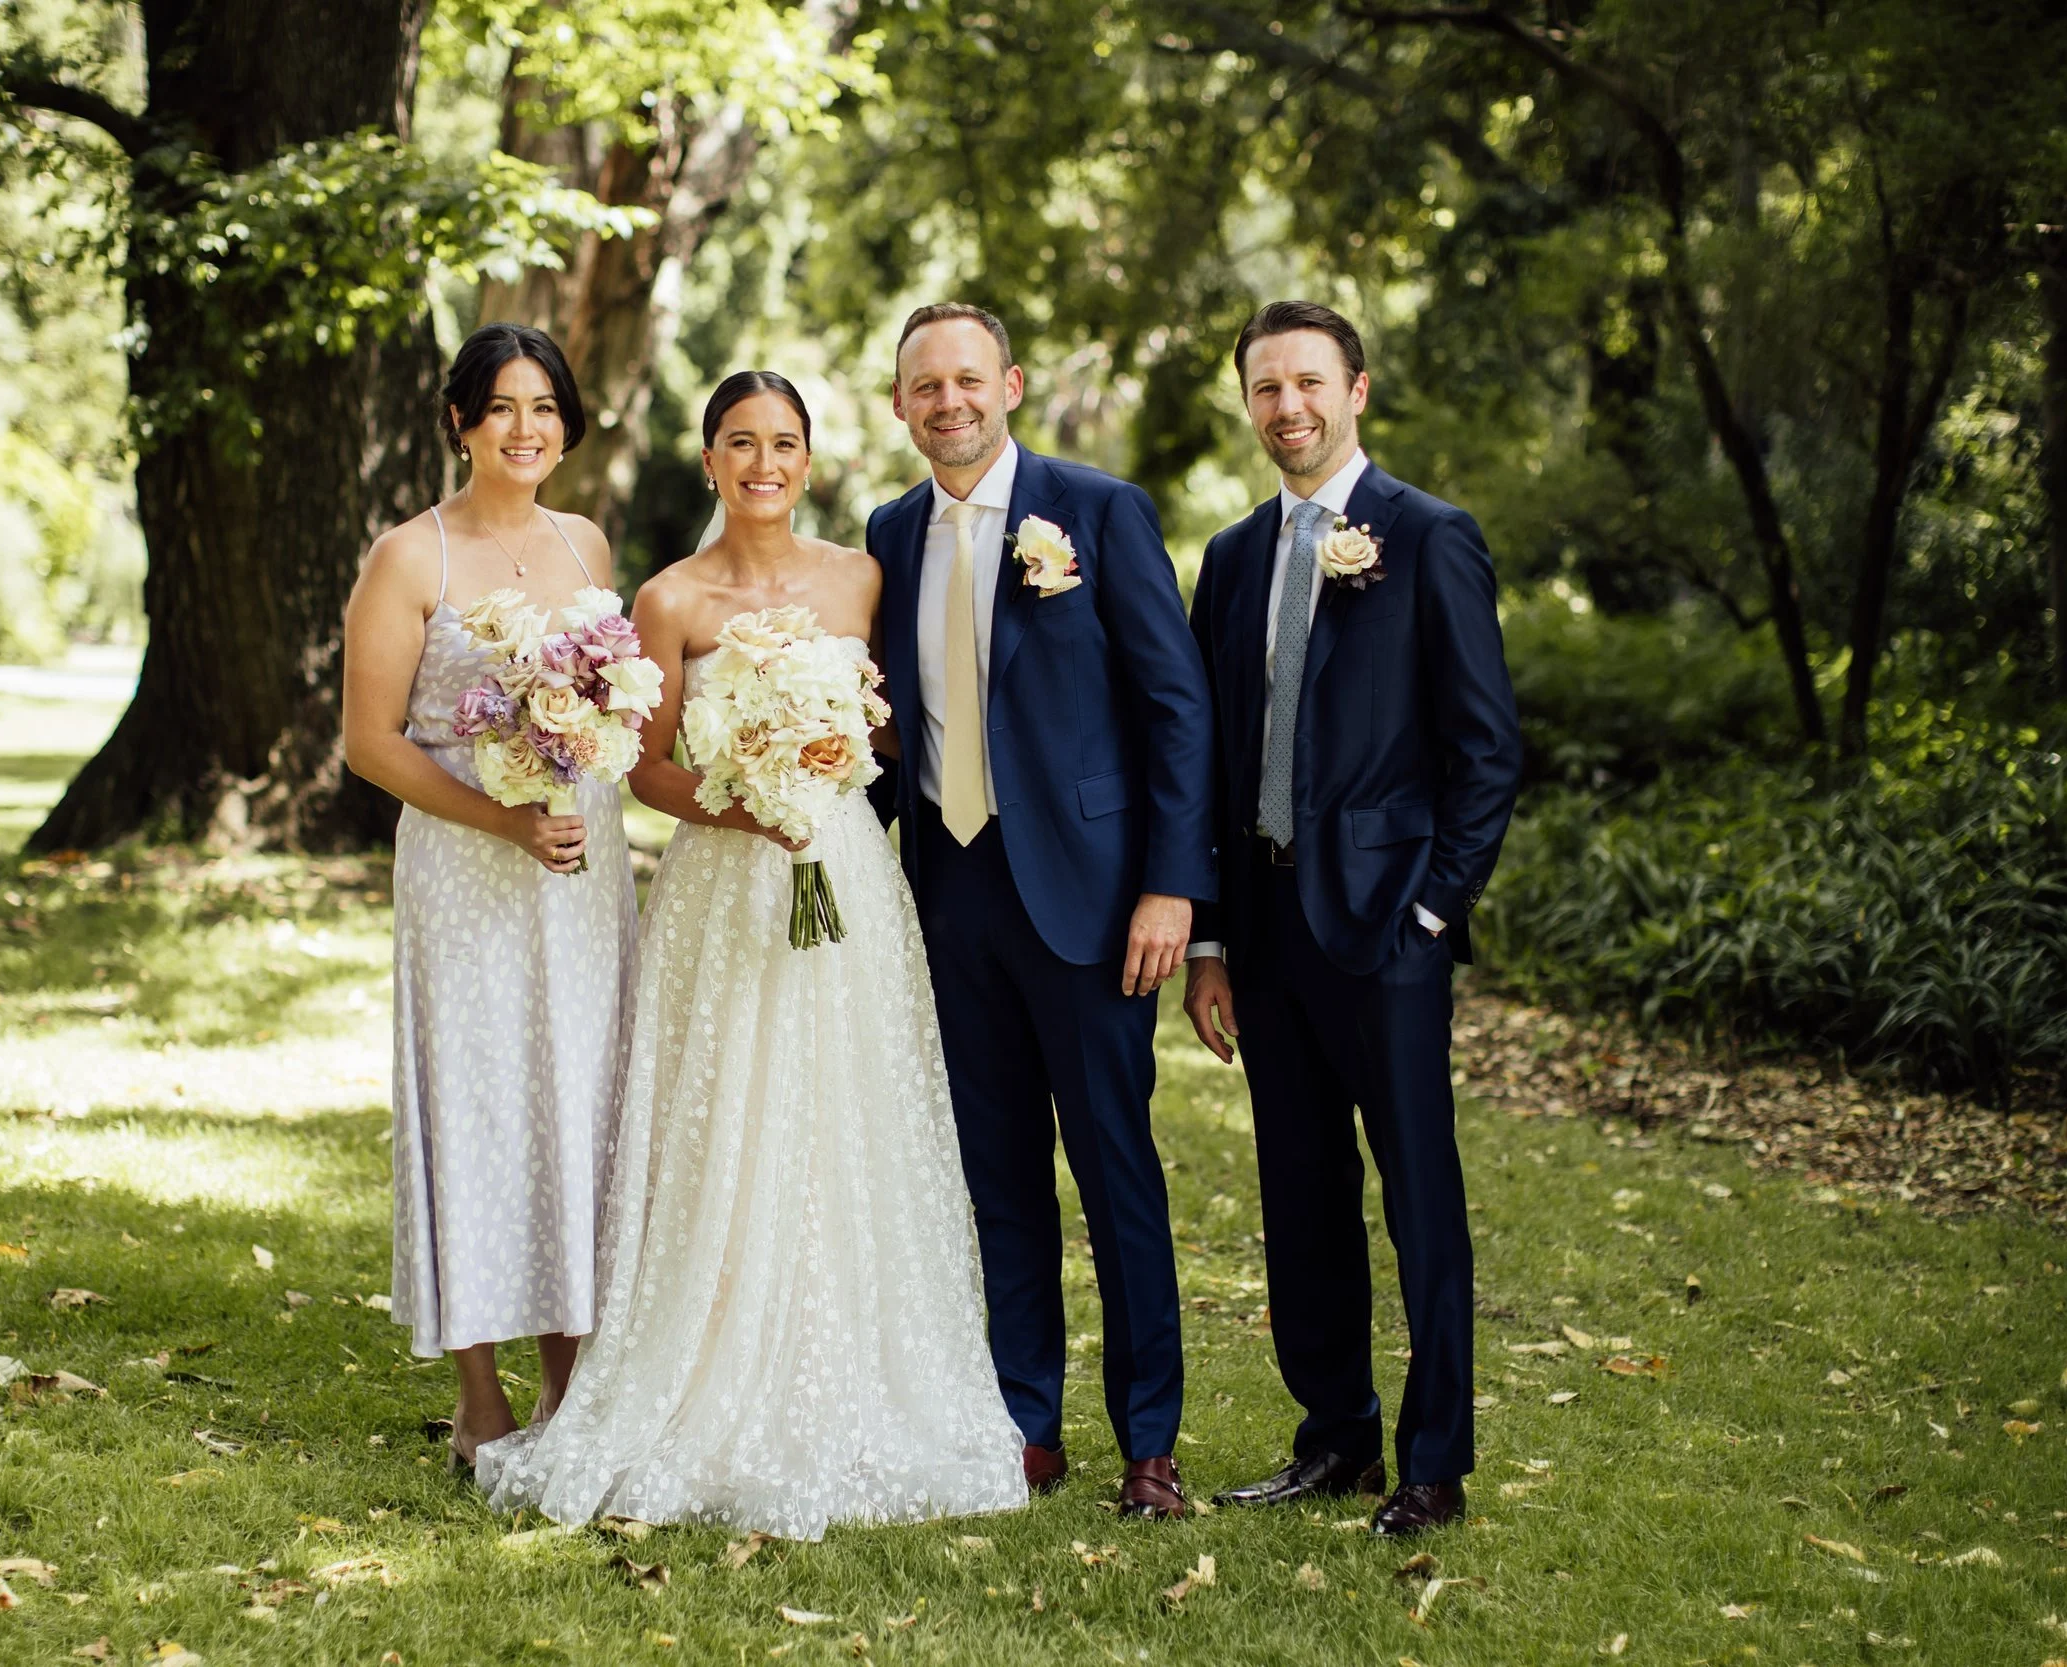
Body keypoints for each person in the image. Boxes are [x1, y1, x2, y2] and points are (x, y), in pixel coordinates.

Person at [473, 371, 1027, 1539]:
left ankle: (857, 1363)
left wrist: (818, 761)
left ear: (808, 460)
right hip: (725, 881)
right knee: (728, 1108)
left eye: (783, 443)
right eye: (740, 442)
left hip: (845, 877)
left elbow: (882, 727)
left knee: (843, 1108)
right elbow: (645, 759)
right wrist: (740, 797)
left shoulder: (860, 575)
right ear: (712, 457)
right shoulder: (669, 596)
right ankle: (705, 1353)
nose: (762, 462)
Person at [867, 304, 1215, 1519]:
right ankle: (1023, 1422)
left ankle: (1150, 1441)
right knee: (995, 1175)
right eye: (925, 385)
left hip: (1093, 899)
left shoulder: (1099, 510)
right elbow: (883, 724)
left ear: (1009, 382)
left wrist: (1174, 885)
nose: (948, 401)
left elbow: (1177, 709)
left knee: (1116, 1171)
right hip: (950, 895)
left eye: (968, 378)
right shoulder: (889, 533)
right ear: (900, 404)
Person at [1182, 300, 1520, 1537]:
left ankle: (1435, 1459)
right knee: (1299, 1191)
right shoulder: (1228, 558)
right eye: (1267, 387)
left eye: (1309, 383)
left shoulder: (1428, 538)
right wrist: (1211, 936)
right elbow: (1213, 763)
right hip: (1264, 930)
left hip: (1387, 929)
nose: (1289, 408)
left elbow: (1485, 753)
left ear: (1356, 390)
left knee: (1416, 1192)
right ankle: (1335, 1436)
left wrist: (1432, 910)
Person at [341, 322, 638, 1472]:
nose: (527, 429)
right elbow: (370, 742)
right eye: (503, 407)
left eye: (546, 408)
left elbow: (610, 702)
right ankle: (480, 1395)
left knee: (577, 1099)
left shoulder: (586, 542)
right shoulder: (410, 558)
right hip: (468, 864)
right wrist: (504, 816)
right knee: (475, 1100)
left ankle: (573, 1375)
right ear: (461, 421)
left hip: (578, 864)